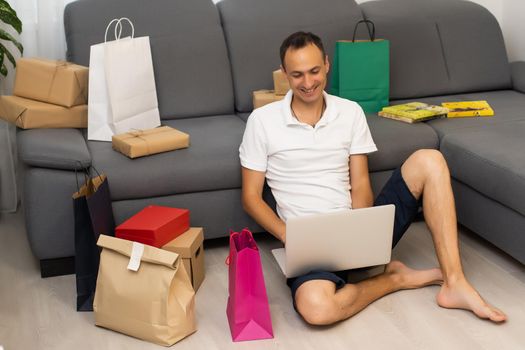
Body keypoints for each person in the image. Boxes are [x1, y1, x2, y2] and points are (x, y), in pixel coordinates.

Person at [239, 31, 507, 325]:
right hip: (308, 242)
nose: (308, 82)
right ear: (284, 75)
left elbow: (361, 183)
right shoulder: (262, 121)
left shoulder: (350, 112)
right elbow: (251, 198)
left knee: (430, 160)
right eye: (297, 75)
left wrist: (361, 237)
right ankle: (394, 279)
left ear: (327, 64)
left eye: (314, 71)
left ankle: (454, 283)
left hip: (354, 227)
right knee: (318, 309)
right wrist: (288, 234)